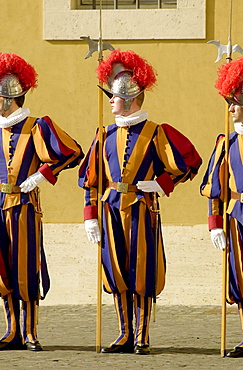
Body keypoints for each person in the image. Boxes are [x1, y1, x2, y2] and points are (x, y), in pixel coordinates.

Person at [79, 49, 202, 355]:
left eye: (114, 96)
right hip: (110, 209)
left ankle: (142, 336)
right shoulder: (103, 134)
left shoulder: (155, 132)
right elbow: (91, 178)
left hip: (141, 210)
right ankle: (123, 333)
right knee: (116, 270)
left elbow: (188, 163)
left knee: (142, 272)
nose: (109, 100)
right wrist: (89, 215)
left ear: (131, 98)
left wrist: (160, 184)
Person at [0, 53, 83, 351]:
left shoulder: (37, 126)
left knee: (26, 268)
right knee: (3, 270)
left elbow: (72, 152)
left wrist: (41, 175)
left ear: (9, 97)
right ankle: (12, 331)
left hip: (24, 206)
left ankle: (30, 331)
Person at [200, 56, 243, 358]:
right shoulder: (226, 144)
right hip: (237, 217)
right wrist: (215, 223)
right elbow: (216, 188)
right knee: (242, 279)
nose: (229, 109)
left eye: (235, 102)